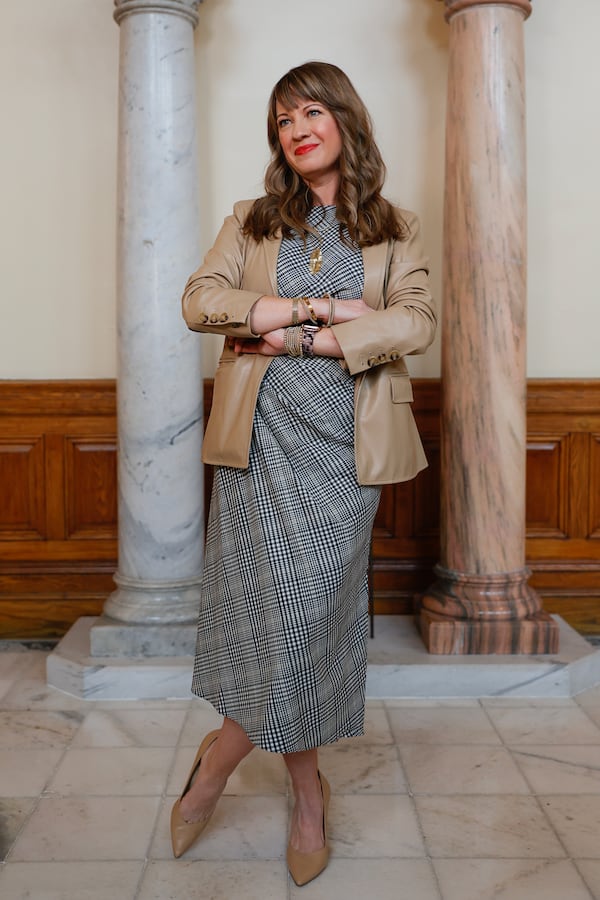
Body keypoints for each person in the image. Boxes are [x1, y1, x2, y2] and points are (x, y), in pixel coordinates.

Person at [172, 60, 436, 887]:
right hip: (258, 449)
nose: (296, 129)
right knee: (272, 624)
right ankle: (304, 793)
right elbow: (198, 301)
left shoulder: (397, 227)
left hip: (344, 458)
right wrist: (321, 312)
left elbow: (417, 322)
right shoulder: (251, 221)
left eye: (311, 111)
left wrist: (288, 336)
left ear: (345, 121)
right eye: (283, 119)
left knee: (310, 625)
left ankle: (219, 761)